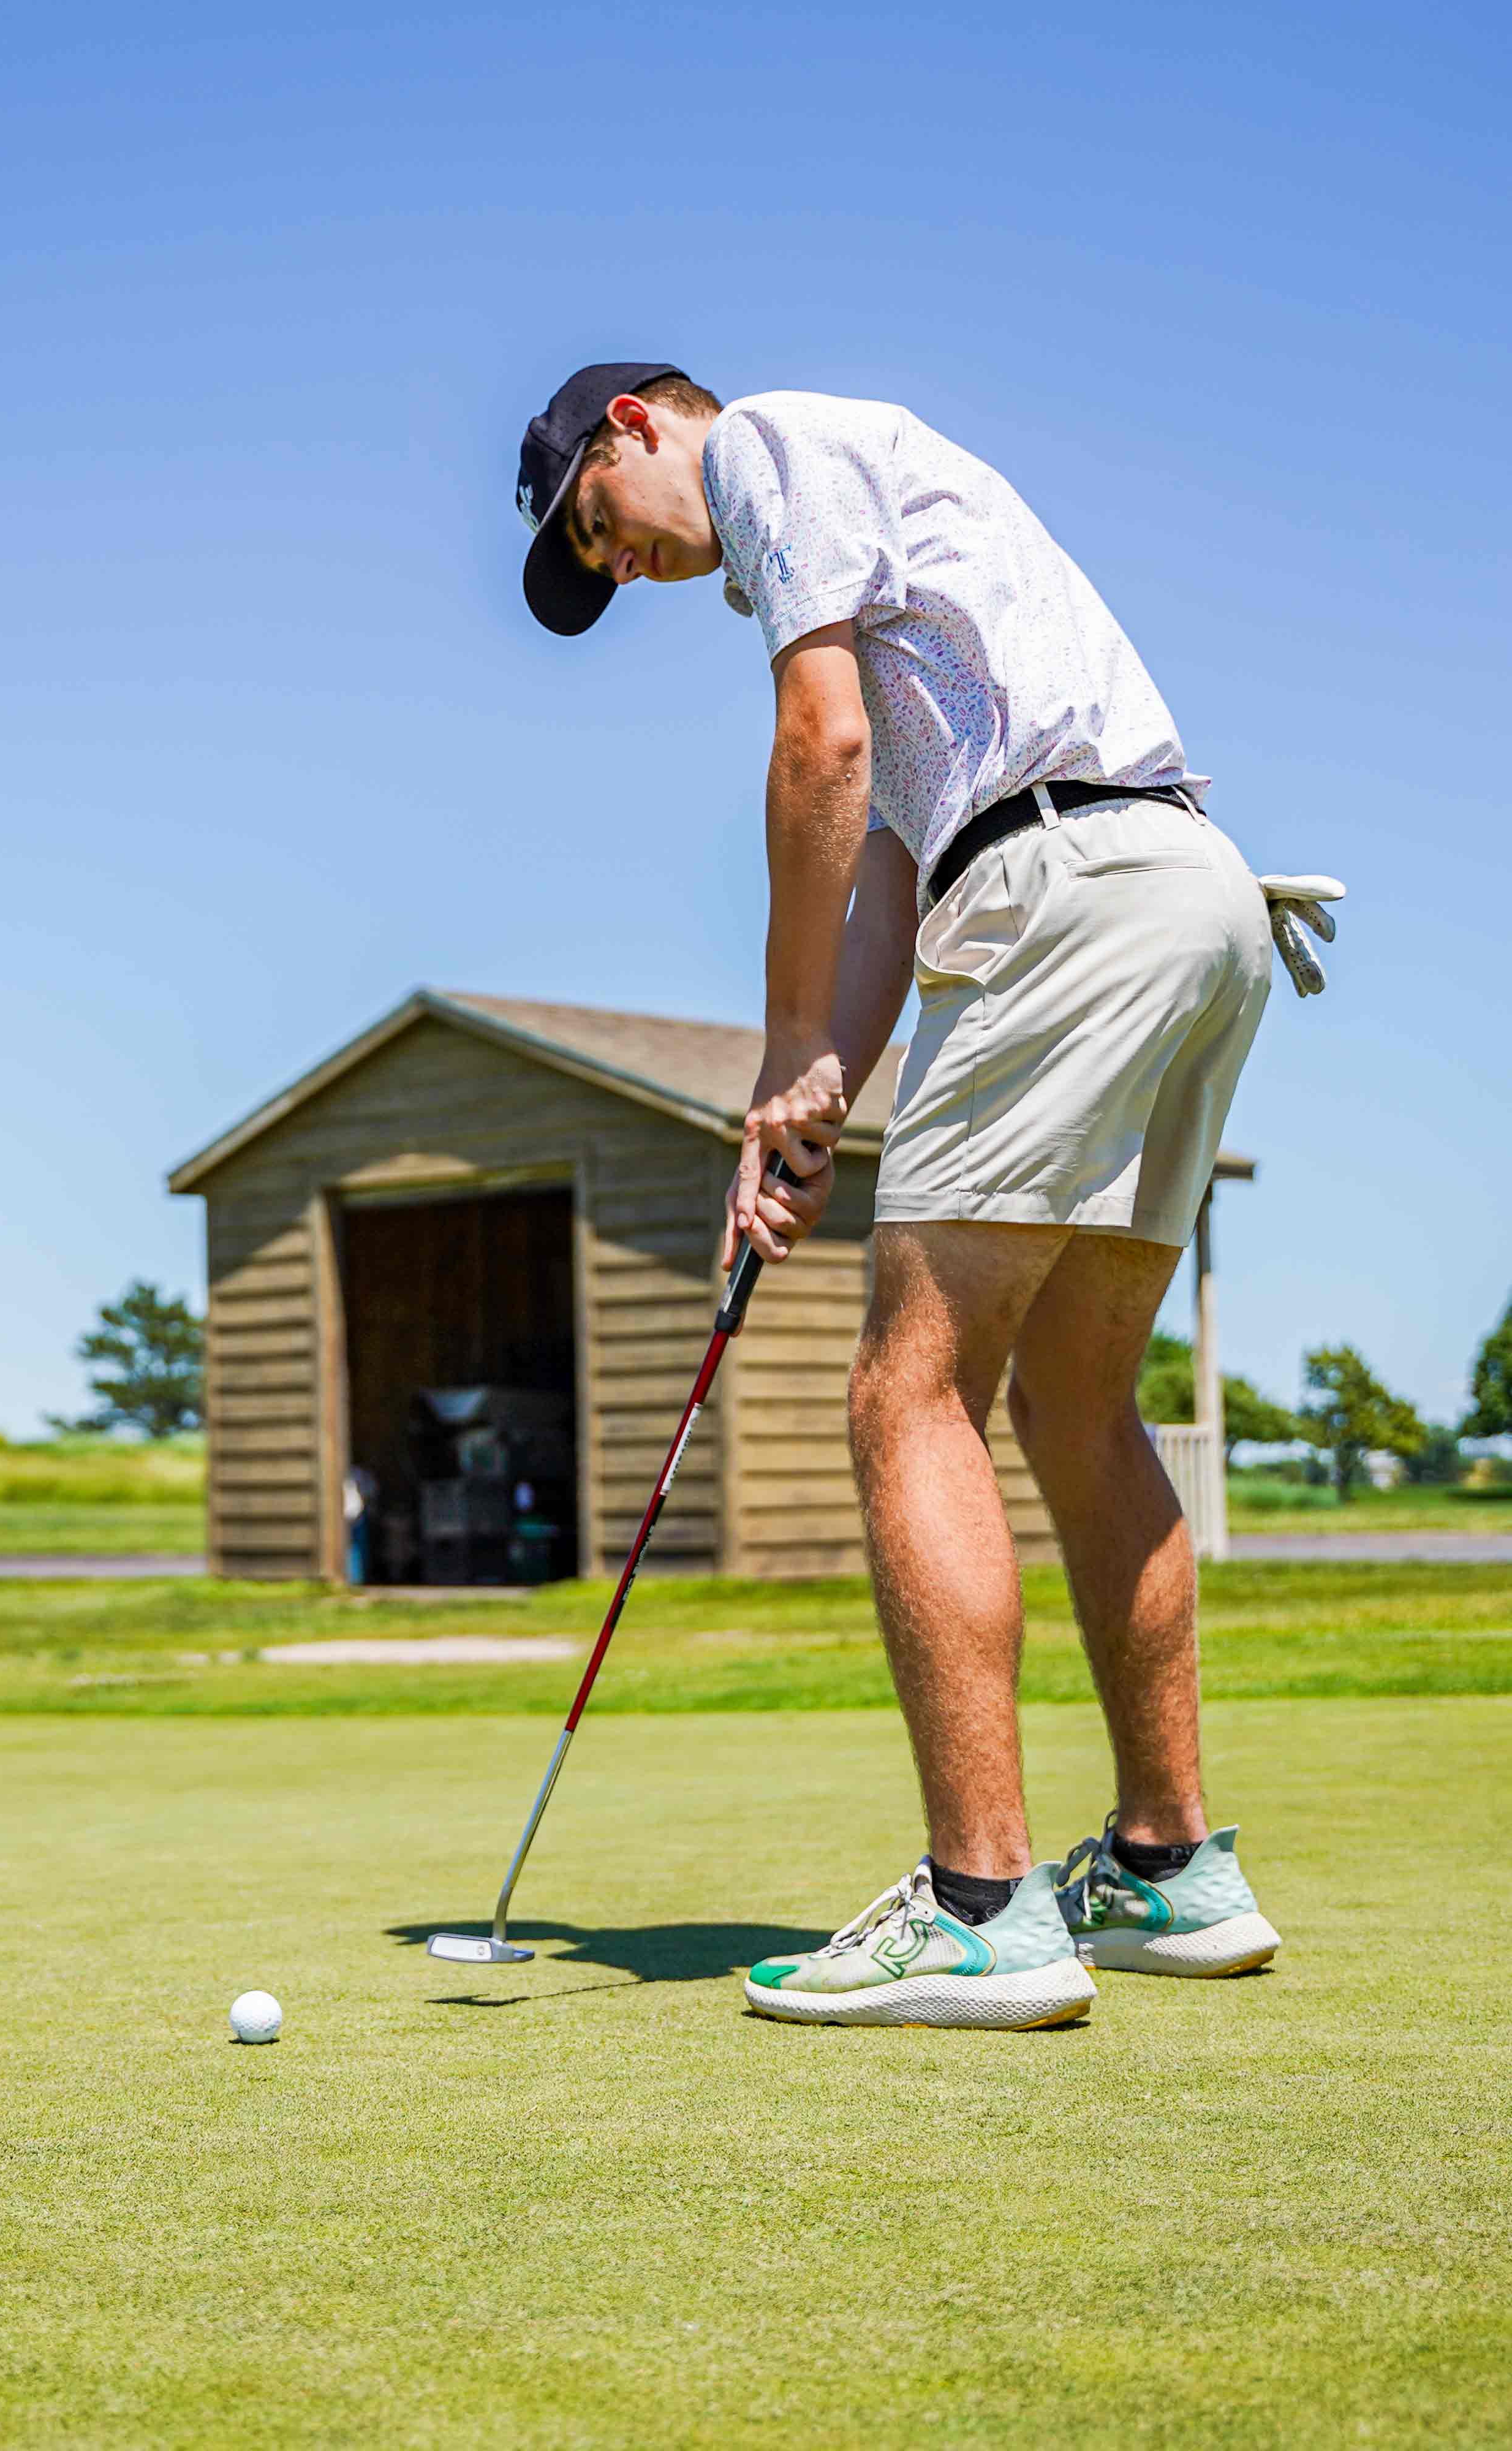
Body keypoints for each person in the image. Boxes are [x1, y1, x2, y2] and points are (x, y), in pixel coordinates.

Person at [514, 362, 1330, 2030]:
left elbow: (810, 744)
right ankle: (1172, 1870)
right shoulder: (889, 564)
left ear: (639, 426)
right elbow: (889, 884)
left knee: (908, 1394)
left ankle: (980, 1907)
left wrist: (785, 1033)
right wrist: (809, 1101)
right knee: (1078, 1405)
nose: (624, 567)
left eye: (601, 528)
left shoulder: (772, 451)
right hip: (1192, 899)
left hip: (1064, 898)